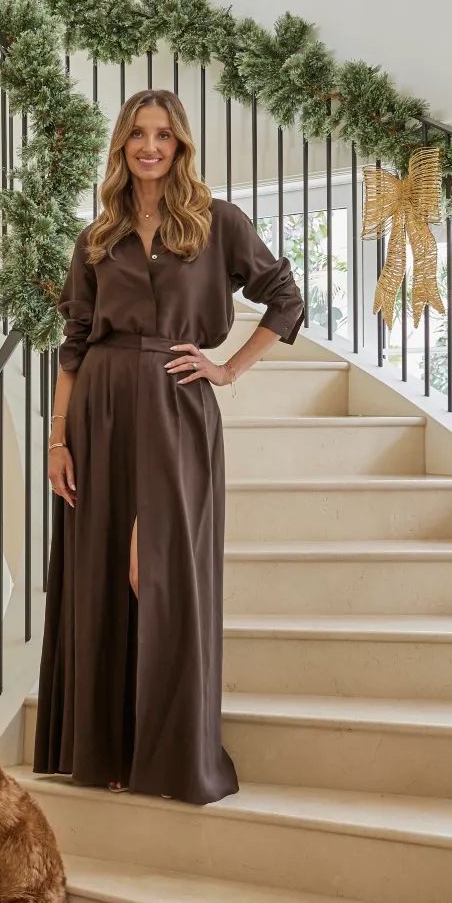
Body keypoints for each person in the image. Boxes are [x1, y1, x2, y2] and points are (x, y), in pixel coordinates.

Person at [33, 88, 304, 805]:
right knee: (102, 571)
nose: (150, 146)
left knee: (154, 568)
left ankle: (169, 747)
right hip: (101, 406)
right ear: (122, 146)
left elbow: (285, 297)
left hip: (176, 409)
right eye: (137, 135)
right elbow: (74, 344)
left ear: (181, 145)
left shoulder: (218, 224)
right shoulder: (97, 236)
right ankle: (113, 746)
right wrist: (57, 439)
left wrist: (227, 367)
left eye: (163, 135)